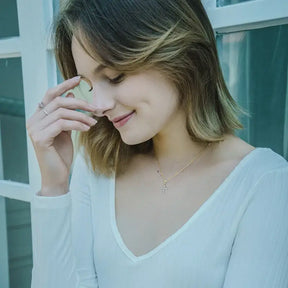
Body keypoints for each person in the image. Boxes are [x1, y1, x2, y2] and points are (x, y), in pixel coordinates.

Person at [26, 0, 288, 287]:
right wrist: (54, 187)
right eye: (89, 85)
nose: (98, 105)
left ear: (179, 52)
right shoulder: (96, 163)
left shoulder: (265, 183)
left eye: (115, 76)